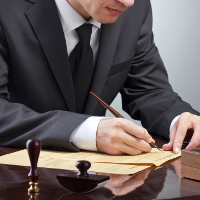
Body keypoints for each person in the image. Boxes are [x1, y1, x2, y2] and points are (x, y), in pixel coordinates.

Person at [0, 0, 199, 156]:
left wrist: (179, 119)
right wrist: (87, 131)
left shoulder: (136, 8)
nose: (128, 2)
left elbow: (148, 90)